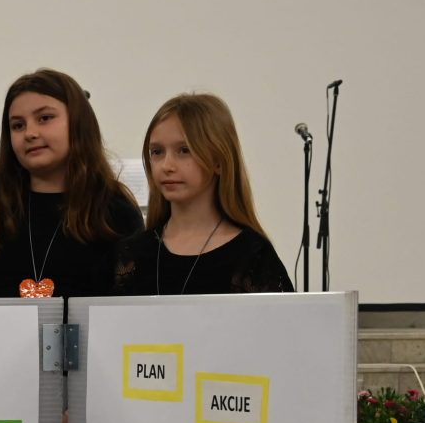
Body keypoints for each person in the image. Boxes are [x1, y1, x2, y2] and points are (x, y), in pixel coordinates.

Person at [0, 69, 141, 299]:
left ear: (78, 123)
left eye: (45, 118)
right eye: (18, 125)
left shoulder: (115, 214)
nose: (30, 133)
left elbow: (129, 309)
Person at [112, 94, 293, 295]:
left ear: (218, 161)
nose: (167, 165)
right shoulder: (133, 255)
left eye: (184, 150)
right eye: (157, 152)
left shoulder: (252, 255)